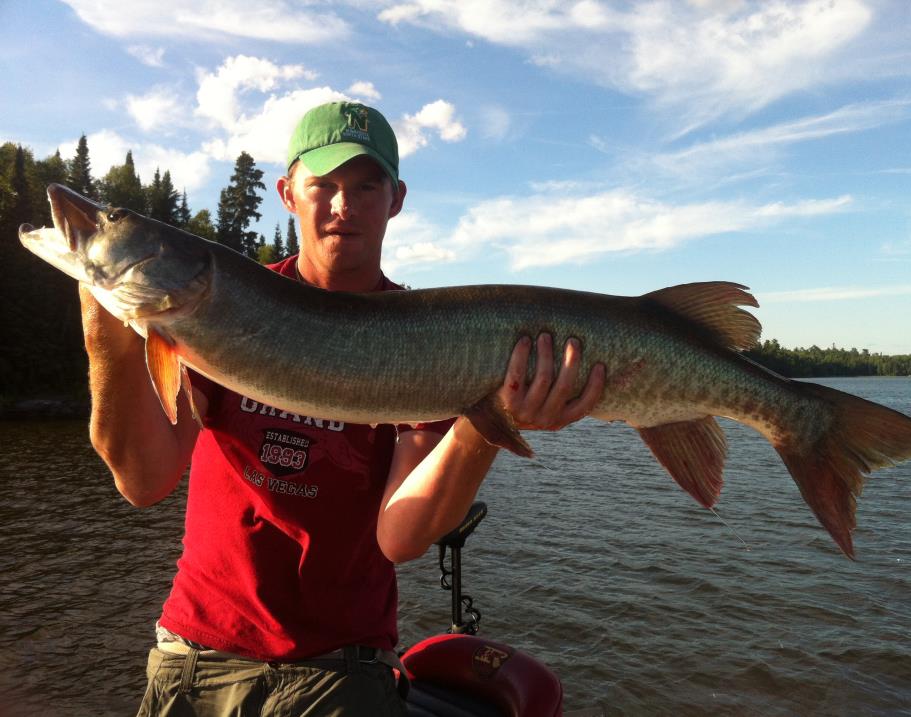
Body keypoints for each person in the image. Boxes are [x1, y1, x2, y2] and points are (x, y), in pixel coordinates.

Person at [80, 101, 605, 716]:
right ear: (287, 193)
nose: (343, 204)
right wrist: (105, 331)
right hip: (195, 656)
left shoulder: (434, 339)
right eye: (322, 184)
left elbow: (400, 535)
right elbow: (145, 481)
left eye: (365, 185)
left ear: (396, 198)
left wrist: (487, 425)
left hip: (341, 671)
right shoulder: (215, 306)